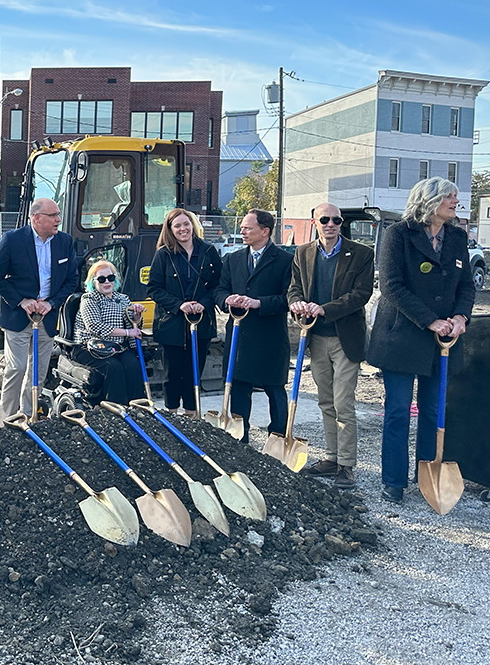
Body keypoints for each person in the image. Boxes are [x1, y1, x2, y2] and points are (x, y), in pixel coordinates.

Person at [367, 178, 474, 503]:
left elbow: (466, 285)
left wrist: (460, 317)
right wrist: (430, 320)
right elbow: (391, 285)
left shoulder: (456, 237)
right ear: (430, 201)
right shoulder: (399, 234)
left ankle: (426, 475)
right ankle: (394, 481)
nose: (456, 201)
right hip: (401, 336)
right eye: (450, 196)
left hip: (441, 343)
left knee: (432, 412)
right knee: (398, 411)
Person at [288, 203, 374, 489]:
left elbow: (361, 294)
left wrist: (324, 309)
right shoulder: (302, 253)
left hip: (345, 338)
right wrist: (296, 303)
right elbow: (294, 287)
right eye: (324, 219)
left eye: (336, 219)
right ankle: (331, 457)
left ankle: (347, 465)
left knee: (343, 403)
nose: (331, 224)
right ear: (315, 222)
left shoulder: (361, 253)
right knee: (325, 402)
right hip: (316, 338)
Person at [0, 198, 79, 418]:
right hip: (17, 315)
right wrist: (21, 301)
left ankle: (29, 417)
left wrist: (51, 303)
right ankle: (8, 418)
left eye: (58, 215)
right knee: (17, 368)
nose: (58, 220)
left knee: (38, 371)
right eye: (53, 216)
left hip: (46, 317)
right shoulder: (12, 240)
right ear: (37, 218)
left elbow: (71, 280)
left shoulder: (64, 242)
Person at [215, 209, 294, 444]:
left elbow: (288, 298)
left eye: (248, 228)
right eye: (242, 227)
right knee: (239, 387)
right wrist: (226, 300)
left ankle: (278, 438)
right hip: (241, 335)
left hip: (270, 336)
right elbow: (220, 289)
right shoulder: (233, 259)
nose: (242, 231)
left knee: (275, 389)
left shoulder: (285, 261)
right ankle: (241, 438)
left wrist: (259, 303)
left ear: (265, 231)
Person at [146, 209, 222, 413]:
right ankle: (172, 416)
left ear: (192, 225)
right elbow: (154, 288)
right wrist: (179, 305)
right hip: (172, 324)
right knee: (173, 374)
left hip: (201, 322)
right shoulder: (163, 255)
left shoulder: (208, 251)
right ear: (170, 229)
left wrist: (204, 304)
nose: (183, 229)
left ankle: (191, 415)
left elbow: (219, 285)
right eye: (177, 226)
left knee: (194, 373)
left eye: (186, 224)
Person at [73, 260, 147, 405]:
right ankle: (114, 409)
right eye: (101, 279)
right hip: (89, 345)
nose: (107, 282)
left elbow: (133, 325)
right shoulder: (89, 299)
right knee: (113, 367)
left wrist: (136, 316)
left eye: (110, 278)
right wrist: (128, 332)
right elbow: (95, 327)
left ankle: (137, 407)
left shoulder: (123, 299)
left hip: (116, 346)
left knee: (133, 365)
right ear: (93, 282)